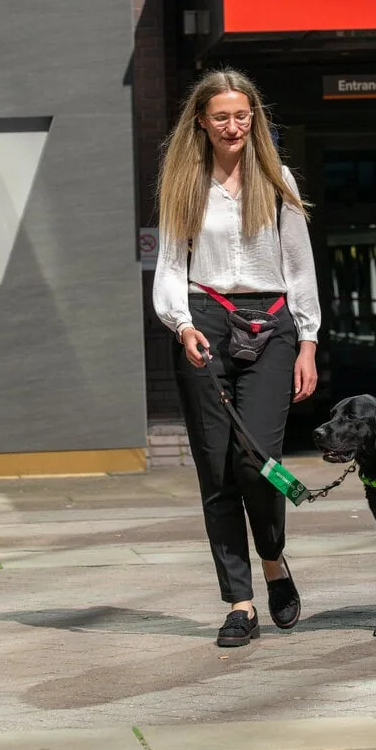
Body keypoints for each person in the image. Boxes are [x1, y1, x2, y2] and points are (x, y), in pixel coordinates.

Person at [153, 69, 320, 648]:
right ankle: (240, 603)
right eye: (221, 116)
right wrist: (181, 326)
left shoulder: (277, 180)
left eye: (242, 116)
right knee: (217, 474)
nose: (233, 126)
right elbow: (171, 266)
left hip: (271, 325)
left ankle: (273, 560)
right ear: (201, 121)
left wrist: (307, 342)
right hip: (205, 320)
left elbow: (300, 269)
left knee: (257, 463)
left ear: (255, 119)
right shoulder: (184, 182)